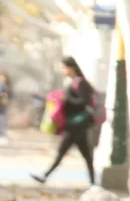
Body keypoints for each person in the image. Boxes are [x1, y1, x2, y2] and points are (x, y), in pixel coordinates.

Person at [32, 57, 96, 186]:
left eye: (63, 67)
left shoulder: (80, 83)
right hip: (73, 125)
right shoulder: (73, 82)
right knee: (84, 155)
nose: (62, 70)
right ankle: (92, 182)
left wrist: (66, 99)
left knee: (65, 152)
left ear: (71, 68)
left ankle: (46, 176)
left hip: (76, 125)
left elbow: (83, 102)